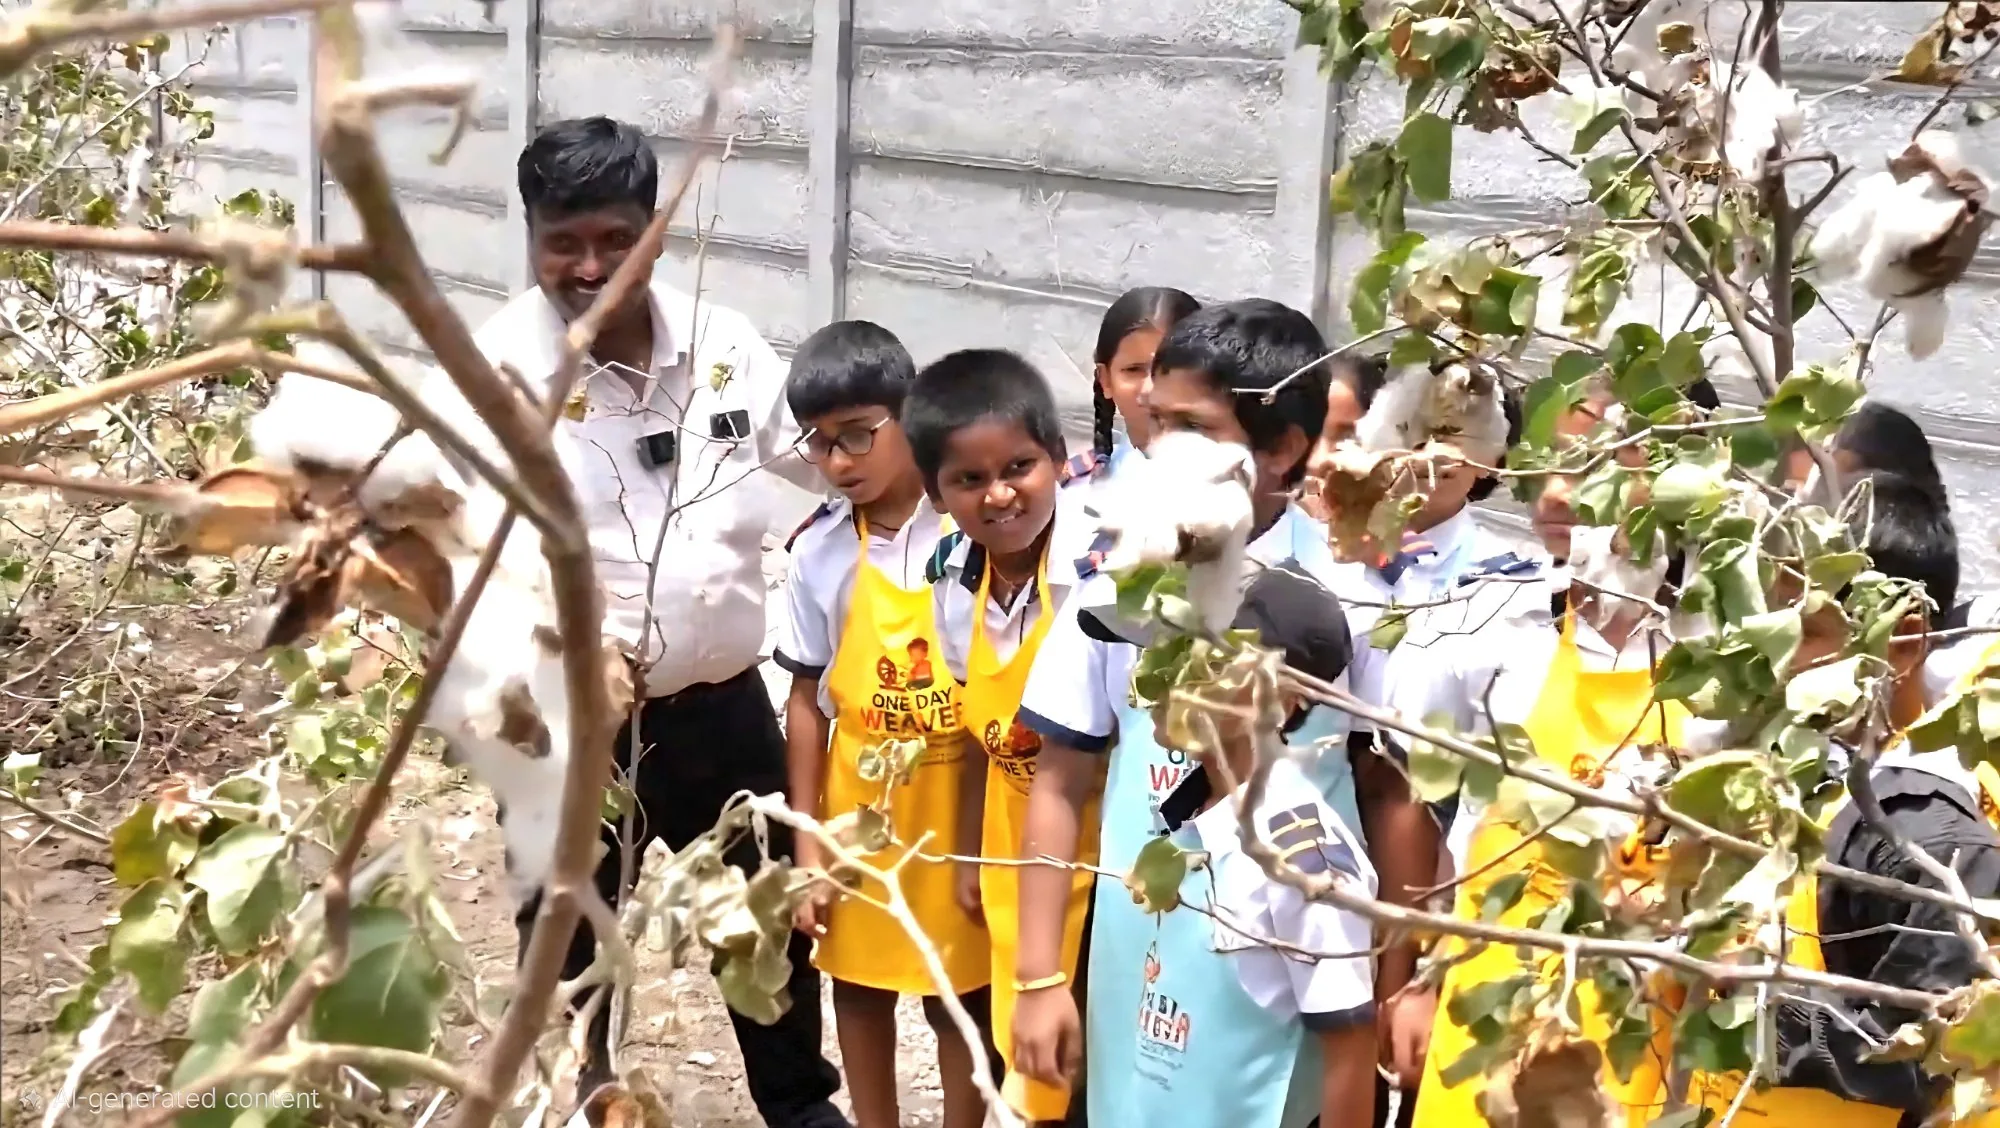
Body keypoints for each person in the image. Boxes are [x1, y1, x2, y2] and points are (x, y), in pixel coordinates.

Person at [477, 116, 846, 1125]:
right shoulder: (497, 372)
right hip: (570, 726)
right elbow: (453, 551)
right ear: (531, 236)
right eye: (563, 241)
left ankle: (797, 1104)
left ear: (656, 231)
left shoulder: (722, 348)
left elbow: (825, 458)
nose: (588, 265)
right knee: (563, 928)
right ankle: (585, 1093)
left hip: (724, 706)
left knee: (766, 915)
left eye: (615, 238)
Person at [1004, 299, 1432, 1123]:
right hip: (1142, 954)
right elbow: (1060, 779)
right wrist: (1037, 974)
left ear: (1284, 449)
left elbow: (1392, 792)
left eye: (1194, 428)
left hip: (1293, 978)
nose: (1161, 450)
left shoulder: (1353, 604)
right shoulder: (1114, 587)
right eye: (1155, 422)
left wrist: (1401, 980)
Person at [1382, 374, 1717, 1128]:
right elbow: (1458, 820)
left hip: (1633, 1047)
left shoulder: (1724, 666)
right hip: (1486, 1011)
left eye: (1598, 465)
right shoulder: (1497, 625)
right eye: (1548, 460)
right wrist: (1421, 979)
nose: (1558, 492)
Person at [1683, 469, 2000, 1127]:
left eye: (1805, 627)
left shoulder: (1929, 830)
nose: (1769, 652)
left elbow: (1927, 1054)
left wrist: (1755, 1001)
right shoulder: (1790, 767)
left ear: (1903, 643)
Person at [772, 321, 993, 1128]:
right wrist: (809, 848)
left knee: (954, 999)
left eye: (859, 435)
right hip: (858, 817)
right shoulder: (818, 553)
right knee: (859, 991)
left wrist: (978, 845)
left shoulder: (973, 531)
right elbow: (804, 702)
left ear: (912, 416)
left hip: (954, 812)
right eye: (820, 444)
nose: (838, 462)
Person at [1094, 563, 1379, 1128]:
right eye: (1156, 654)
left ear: (1285, 694)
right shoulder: (1191, 813)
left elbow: (1350, 1051)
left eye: (1193, 659)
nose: (1153, 678)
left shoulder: (1304, 862)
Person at [904, 348, 1101, 1125]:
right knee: (1025, 1066)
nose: (999, 493)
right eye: (968, 480)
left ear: (1058, 459)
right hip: (1008, 858)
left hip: (1102, 871)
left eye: (1019, 466)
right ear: (936, 492)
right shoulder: (953, 580)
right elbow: (973, 731)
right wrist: (967, 854)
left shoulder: (1098, 578)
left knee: (1085, 1067)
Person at [1062, 287, 1201, 485]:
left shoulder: (1246, 485)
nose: (1149, 388)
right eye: (1133, 370)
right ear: (1106, 380)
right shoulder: (1074, 488)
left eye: (1170, 368)